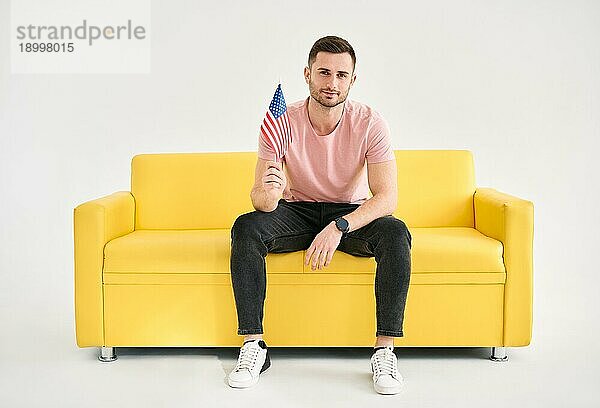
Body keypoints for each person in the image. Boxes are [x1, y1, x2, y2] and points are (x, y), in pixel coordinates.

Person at [227, 35, 412, 395]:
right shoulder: (281, 122)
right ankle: (253, 345)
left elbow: (387, 198)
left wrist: (340, 226)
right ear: (308, 74)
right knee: (246, 227)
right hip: (296, 209)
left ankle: (384, 350)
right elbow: (260, 202)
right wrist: (271, 193)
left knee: (394, 232)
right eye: (324, 73)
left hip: (350, 213)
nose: (332, 83)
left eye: (342, 75)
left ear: (353, 81)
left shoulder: (371, 123)